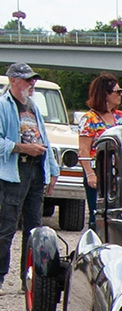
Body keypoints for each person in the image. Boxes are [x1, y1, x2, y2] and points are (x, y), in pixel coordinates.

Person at [0, 62, 57, 289]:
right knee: (6, 227)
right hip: (14, 172)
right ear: (13, 81)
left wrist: (52, 170)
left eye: (33, 79)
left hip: (36, 169)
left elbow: (45, 139)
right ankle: (1, 275)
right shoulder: (3, 106)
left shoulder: (33, 106)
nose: (32, 83)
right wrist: (23, 148)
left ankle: (30, 279)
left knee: (34, 229)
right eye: (27, 79)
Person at [78, 73, 122, 231]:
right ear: (105, 94)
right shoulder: (89, 119)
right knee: (96, 212)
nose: (120, 95)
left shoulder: (121, 117)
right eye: (117, 92)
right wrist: (90, 173)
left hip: (118, 172)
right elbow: (84, 149)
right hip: (97, 171)